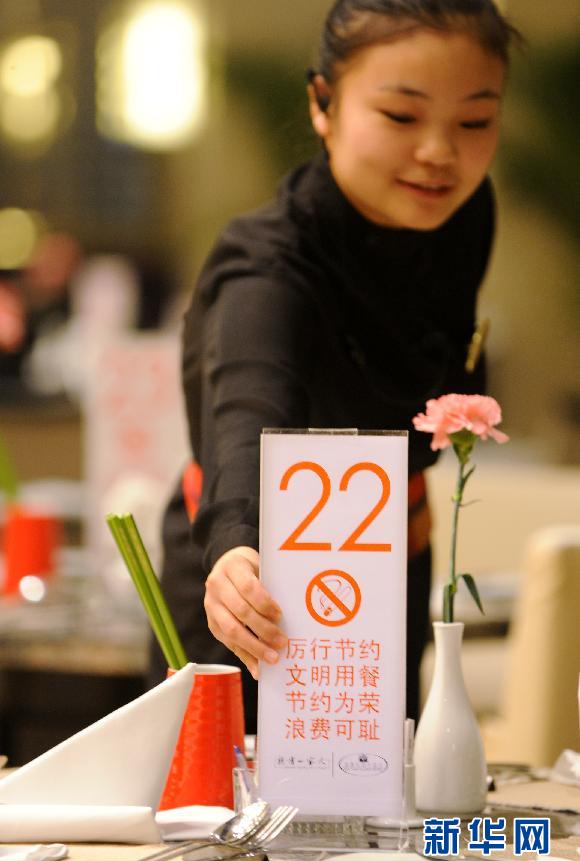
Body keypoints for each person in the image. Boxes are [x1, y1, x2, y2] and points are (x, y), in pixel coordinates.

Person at [151, 0, 522, 730]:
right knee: (236, 834)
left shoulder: (462, 217)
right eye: (401, 116)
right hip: (251, 599)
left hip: (384, 570)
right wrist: (236, 546)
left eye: (475, 121)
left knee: (390, 827)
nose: (441, 153)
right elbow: (250, 404)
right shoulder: (267, 265)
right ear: (323, 104)